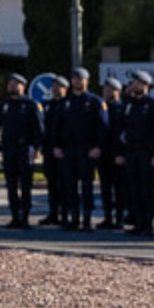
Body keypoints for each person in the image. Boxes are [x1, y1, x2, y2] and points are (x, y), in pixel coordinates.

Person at [55, 68, 108, 231]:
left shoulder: (95, 101)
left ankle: (87, 219)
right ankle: (74, 217)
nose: (77, 81)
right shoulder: (65, 102)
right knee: (70, 185)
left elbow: (103, 127)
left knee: (86, 186)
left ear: (87, 81)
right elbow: (56, 126)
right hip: (69, 149)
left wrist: (98, 147)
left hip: (87, 149)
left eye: (81, 79)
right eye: (75, 79)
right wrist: (56, 146)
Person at [0, 73, 44, 228]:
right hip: (9, 149)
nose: (13, 86)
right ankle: (15, 215)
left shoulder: (30, 104)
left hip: (24, 148)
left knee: (25, 184)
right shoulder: (4, 105)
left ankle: (25, 217)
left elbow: (38, 128)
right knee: (11, 184)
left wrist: (37, 147)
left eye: (17, 83)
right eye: (11, 83)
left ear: (23, 86)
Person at [116, 70, 154, 236]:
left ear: (145, 85)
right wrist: (120, 152)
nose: (133, 85)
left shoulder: (153, 105)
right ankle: (138, 222)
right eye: (133, 82)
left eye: (137, 83)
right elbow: (121, 130)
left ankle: (148, 224)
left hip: (147, 153)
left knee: (146, 190)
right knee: (133, 189)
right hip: (131, 152)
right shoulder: (129, 104)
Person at [98, 77, 127, 229]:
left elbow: (123, 134)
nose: (108, 92)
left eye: (111, 89)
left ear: (118, 91)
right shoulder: (101, 108)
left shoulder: (123, 108)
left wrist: (121, 153)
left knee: (120, 188)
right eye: (106, 89)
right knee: (105, 188)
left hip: (118, 154)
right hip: (103, 154)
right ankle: (108, 217)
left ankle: (120, 218)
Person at [40, 76, 69, 225]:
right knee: (51, 183)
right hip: (49, 150)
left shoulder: (68, 104)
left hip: (64, 151)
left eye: (59, 86)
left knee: (64, 184)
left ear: (65, 88)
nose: (55, 89)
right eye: (54, 86)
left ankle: (64, 213)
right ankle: (53, 213)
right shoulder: (48, 105)